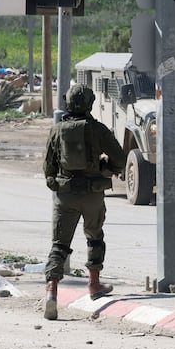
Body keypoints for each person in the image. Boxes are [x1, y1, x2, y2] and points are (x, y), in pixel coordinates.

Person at [42, 84, 126, 320]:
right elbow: (119, 159)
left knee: (59, 244)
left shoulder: (57, 130)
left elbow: (48, 167)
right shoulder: (98, 129)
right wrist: (104, 169)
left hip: (65, 195)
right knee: (94, 237)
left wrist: (57, 183)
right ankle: (94, 284)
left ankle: (51, 292)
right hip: (92, 194)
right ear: (89, 104)